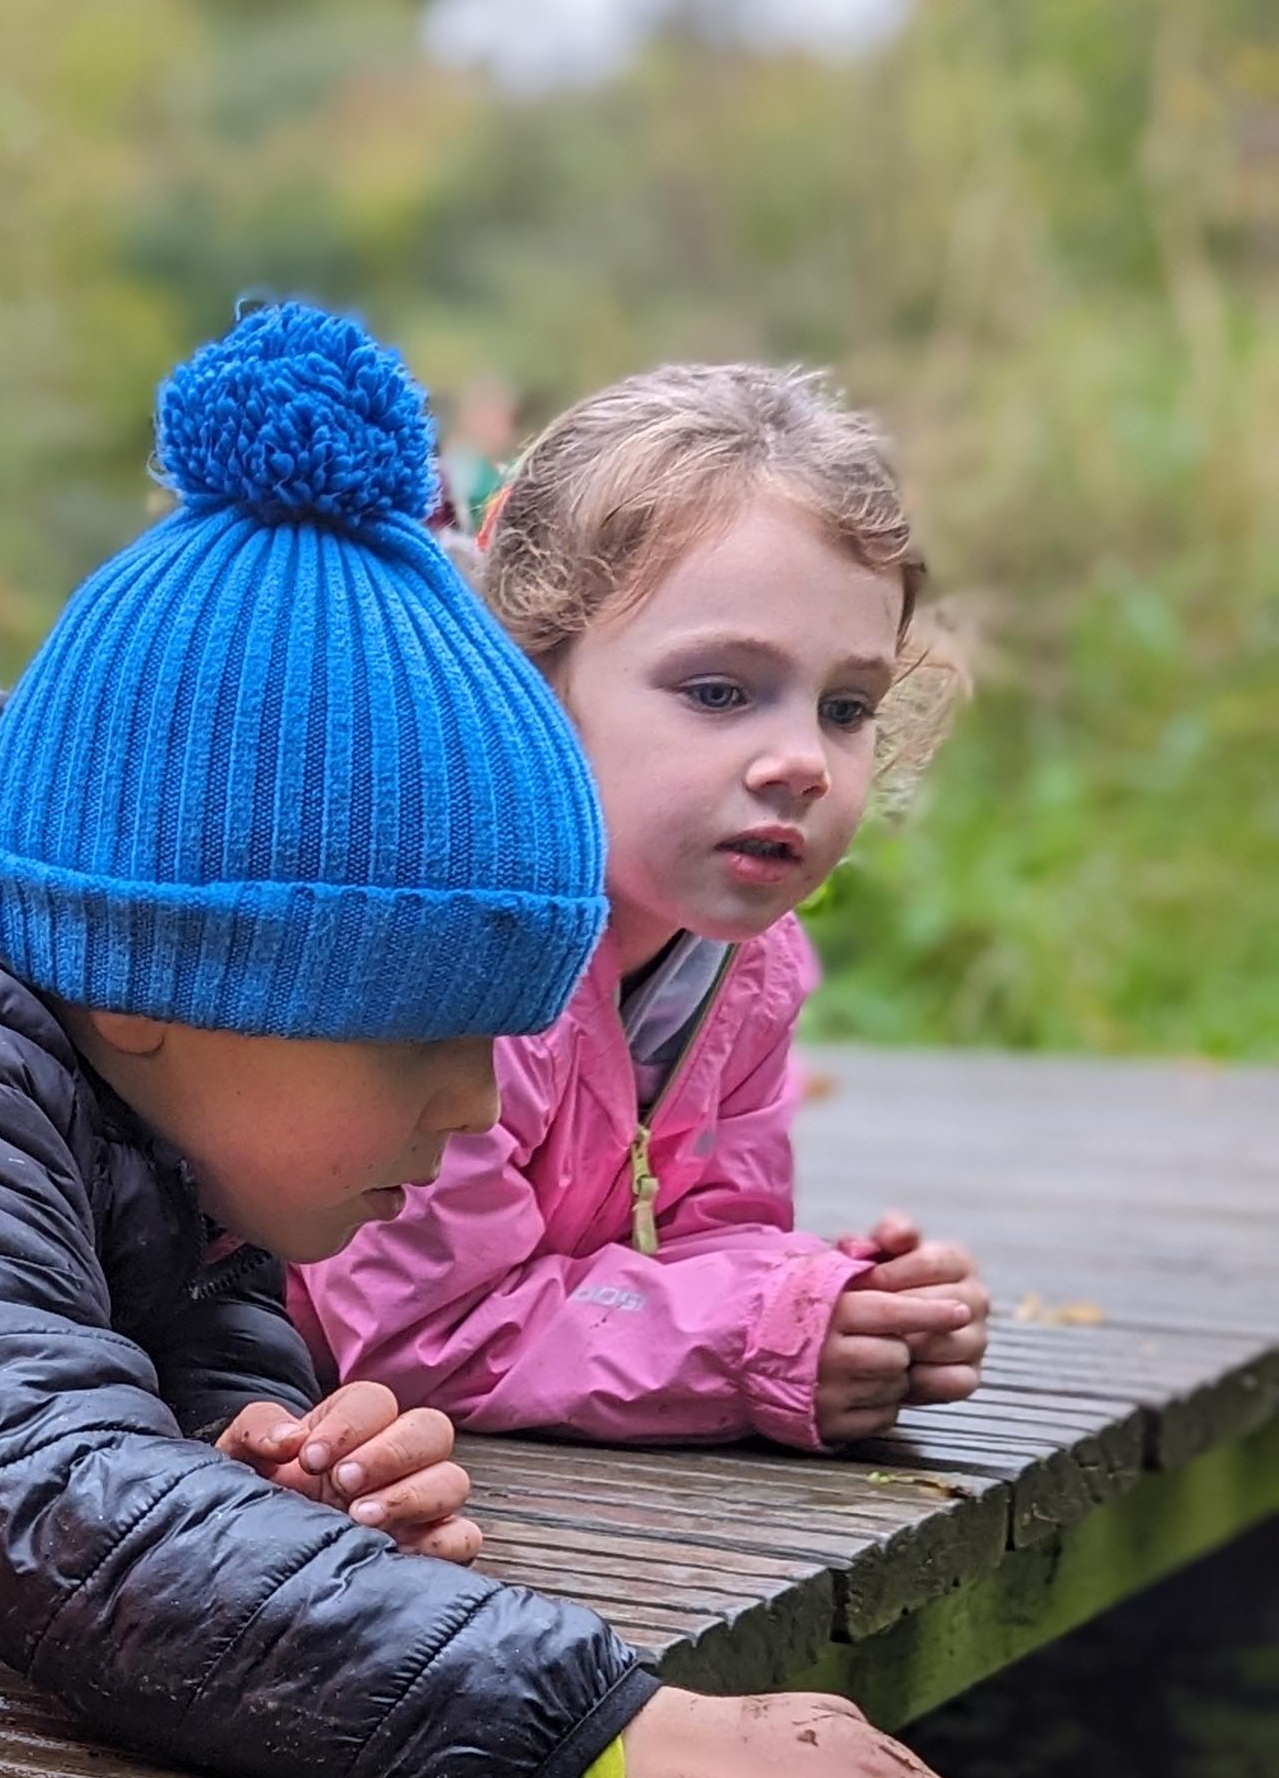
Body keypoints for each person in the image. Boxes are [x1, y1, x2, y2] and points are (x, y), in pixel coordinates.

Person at [0, 304, 994, 1778]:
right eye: (423, 1040)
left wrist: (253, 1448)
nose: (474, 1106)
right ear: (153, 985)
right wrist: (621, 1745)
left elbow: (172, 1315)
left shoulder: (137, 1092)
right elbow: (67, 1519)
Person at [292, 358, 992, 1453]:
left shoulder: (745, 966)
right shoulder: (452, 959)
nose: (804, 761)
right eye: (719, 691)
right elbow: (429, 1331)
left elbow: (710, 1240)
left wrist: (842, 1306)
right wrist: (758, 1341)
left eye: (846, 707)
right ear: (530, 682)